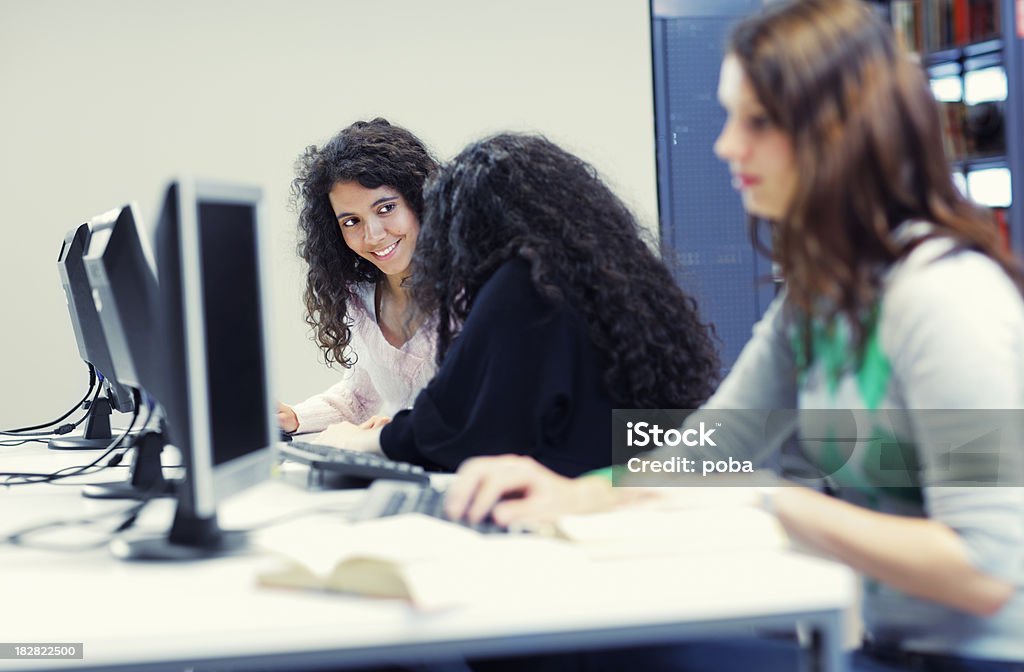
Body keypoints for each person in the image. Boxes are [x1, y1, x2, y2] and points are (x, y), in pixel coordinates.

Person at [443, 0, 1024, 669]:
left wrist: (772, 499)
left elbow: (983, 570)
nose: (726, 145)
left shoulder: (946, 300)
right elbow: (705, 453)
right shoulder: (821, 300)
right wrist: (568, 491)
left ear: (838, 132)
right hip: (889, 648)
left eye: (757, 122)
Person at [317, 133, 720, 476]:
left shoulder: (521, 285)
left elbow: (455, 423)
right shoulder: (604, 277)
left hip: (602, 500)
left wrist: (356, 443)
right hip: (663, 479)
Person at [277, 118, 439, 435]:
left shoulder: (473, 289)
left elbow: (492, 403)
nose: (374, 235)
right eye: (352, 221)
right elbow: (358, 398)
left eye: (386, 208)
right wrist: (294, 417)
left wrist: (406, 427)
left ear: (420, 200)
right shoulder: (361, 295)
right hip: (403, 466)